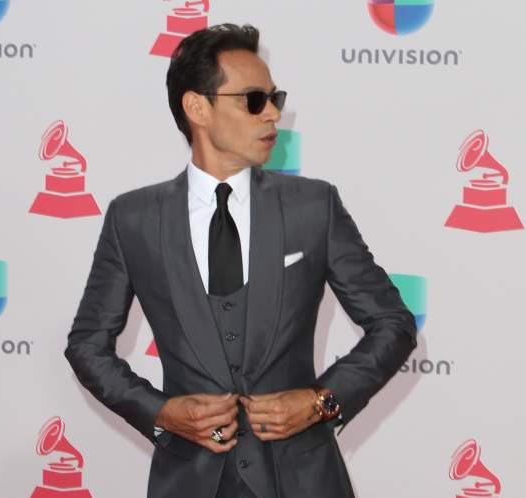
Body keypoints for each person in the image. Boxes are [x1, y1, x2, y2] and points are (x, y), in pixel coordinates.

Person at [65, 23, 416, 498]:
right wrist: (163, 412)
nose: (272, 113)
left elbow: (392, 324)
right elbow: (88, 345)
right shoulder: (134, 219)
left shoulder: (314, 207)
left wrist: (320, 401)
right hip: (189, 480)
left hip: (304, 480)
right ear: (197, 108)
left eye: (275, 97)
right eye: (253, 100)